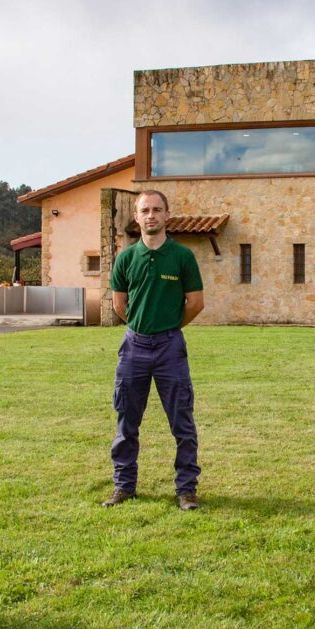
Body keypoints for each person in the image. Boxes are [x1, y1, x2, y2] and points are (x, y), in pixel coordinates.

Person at [105, 190, 205, 510]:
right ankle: (124, 486)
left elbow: (195, 303)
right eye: (145, 210)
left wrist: (169, 327)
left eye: (157, 209)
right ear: (136, 216)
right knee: (126, 421)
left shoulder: (182, 257)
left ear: (167, 215)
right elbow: (120, 304)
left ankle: (186, 490)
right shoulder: (126, 258)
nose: (151, 215)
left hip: (170, 348)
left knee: (182, 422)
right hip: (133, 347)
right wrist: (141, 326)